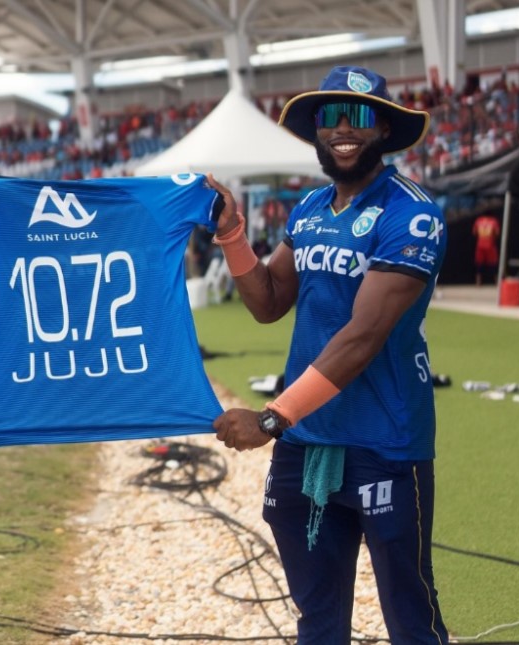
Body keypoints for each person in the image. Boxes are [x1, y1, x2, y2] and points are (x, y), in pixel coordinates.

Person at [208, 65, 449, 643]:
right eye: (330, 117)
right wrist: (233, 234)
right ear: (316, 131)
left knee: (410, 618)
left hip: (384, 442)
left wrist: (271, 418)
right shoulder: (311, 209)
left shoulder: (412, 213)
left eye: (360, 116)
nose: (343, 129)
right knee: (318, 619)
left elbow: (363, 337)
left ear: (385, 129)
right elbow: (267, 302)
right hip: (307, 444)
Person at [472, 212, 500, 286]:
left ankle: (478, 282)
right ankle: (496, 282)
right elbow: (497, 233)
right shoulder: (494, 221)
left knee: (479, 264)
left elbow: (474, 232)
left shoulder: (478, 220)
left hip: (480, 245)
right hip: (490, 245)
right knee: (493, 264)